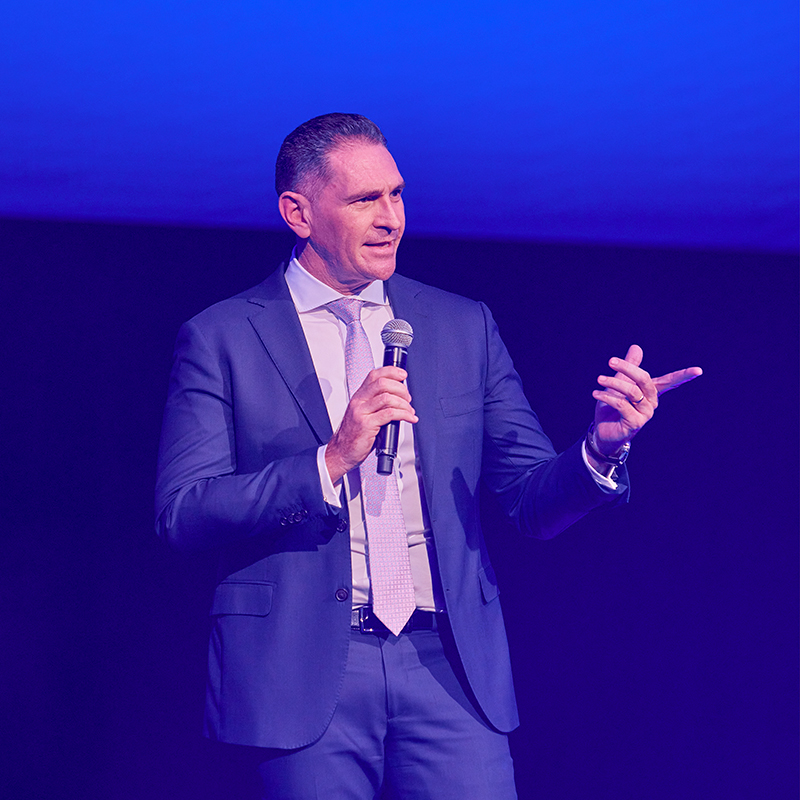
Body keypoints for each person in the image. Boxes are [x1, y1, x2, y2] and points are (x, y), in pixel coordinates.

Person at [155, 112, 701, 799]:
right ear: (298, 212)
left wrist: (601, 447)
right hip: (302, 674)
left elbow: (529, 499)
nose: (391, 219)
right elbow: (184, 514)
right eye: (364, 200)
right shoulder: (222, 336)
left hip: (449, 667)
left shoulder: (459, 324)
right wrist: (328, 461)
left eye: (397, 195)